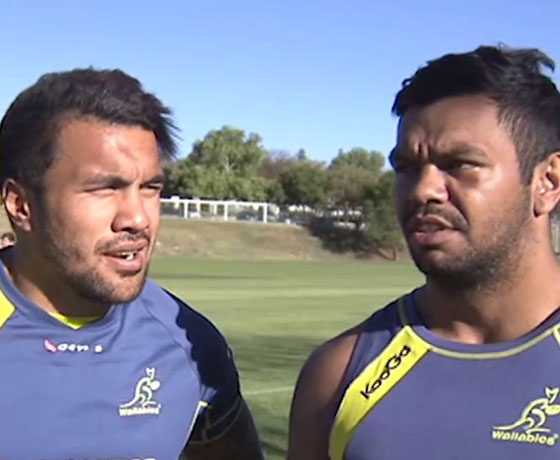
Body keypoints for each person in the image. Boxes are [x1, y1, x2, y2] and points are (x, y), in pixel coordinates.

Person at [288, 45, 560, 460]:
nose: (423, 190)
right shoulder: (337, 375)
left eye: (460, 164)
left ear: (548, 181)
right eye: (406, 168)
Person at [0, 68, 263, 460]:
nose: (138, 218)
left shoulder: (190, 344)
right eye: (105, 188)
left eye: (150, 188)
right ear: (21, 205)